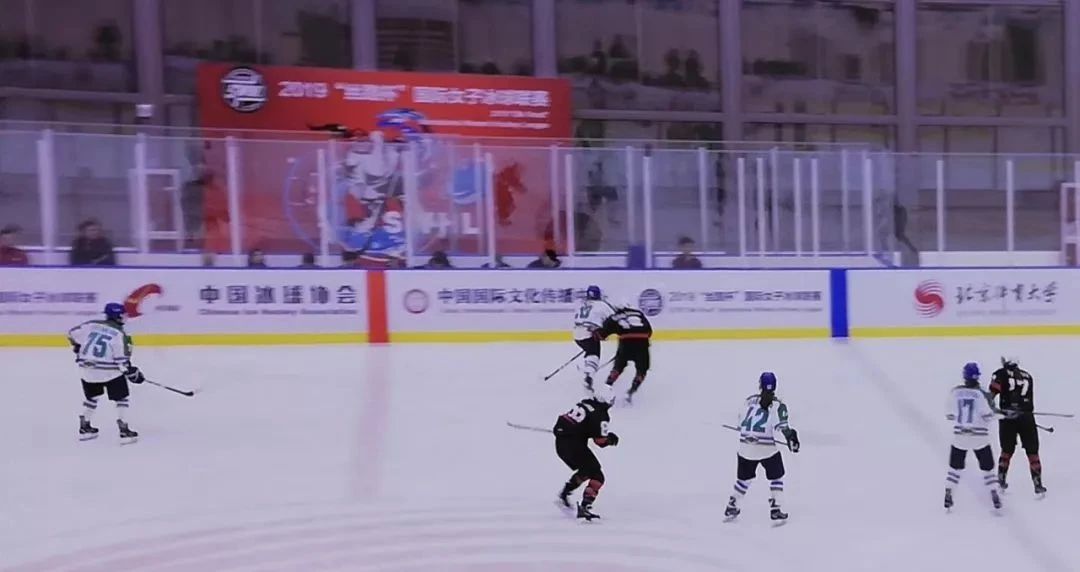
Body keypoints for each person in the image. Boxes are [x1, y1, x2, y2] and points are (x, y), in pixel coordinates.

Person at [725, 372, 800, 523]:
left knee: (744, 479)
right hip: (765, 447)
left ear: (760, 385)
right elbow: (783, 428)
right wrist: (792, 438)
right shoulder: (778, 405)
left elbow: (740, 423)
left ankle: (733, 504)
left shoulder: (748, 401)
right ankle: (776, 507)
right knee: (776, 475)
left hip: (745, 446)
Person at [67, 303, 145, 443]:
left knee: (92, 397)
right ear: (117, 316)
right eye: (122, 315)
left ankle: (85, 426)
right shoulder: (121, 334)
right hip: (109, 372)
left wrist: (77, 346)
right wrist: (132, 372)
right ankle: (124, 429)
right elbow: (122, 361)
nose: (124, 318)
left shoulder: (90, 325)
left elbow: (71, 333)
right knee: (121, 398)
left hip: (87, 370)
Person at [553, 386, 619, 521]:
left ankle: (564, 494)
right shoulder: (601, 415)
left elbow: (562, 426)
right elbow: (599, 441)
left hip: (560, 445)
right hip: (574, 445)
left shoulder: (584, 403)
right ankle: (585, 506)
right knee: (597, 475)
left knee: (586, 470)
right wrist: (610, 440)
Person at [944, 362, 1002, 511]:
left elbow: (949, 415)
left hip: (960, 436)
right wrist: (1002, 415)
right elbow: (988, 415)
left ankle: (949, 490)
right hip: (979, 437)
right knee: (987, 468)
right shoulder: (981, 394)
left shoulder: (955, 392)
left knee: (955, 467)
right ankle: (993, 492)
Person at [990, 358, 1046, 496]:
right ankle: (1037, 483)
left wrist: (992, 409)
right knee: (1032, 451)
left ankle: (1001, 479)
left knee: (1006, 450)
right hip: (1027, 417)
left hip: (1008, 417)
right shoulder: (1028, 376)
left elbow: (991, 395)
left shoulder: (1001, 373)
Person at [596, 302, 652, 403]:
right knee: (642, 370)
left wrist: (599, 335)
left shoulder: (616, 316)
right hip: (643, 342)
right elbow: (649, 331)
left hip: (626, 343)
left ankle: (607, 387)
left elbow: (603, 333)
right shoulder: (639, 314)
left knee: (618, 367)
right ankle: (630, 392)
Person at [572, 286, 618, 391]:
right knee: (594, 354)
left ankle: (586, 366)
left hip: (576, 333)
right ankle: (588, 375)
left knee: (590, 351)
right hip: (589, 332)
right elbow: (615, 318)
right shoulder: (602, 305)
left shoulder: (582, 304)